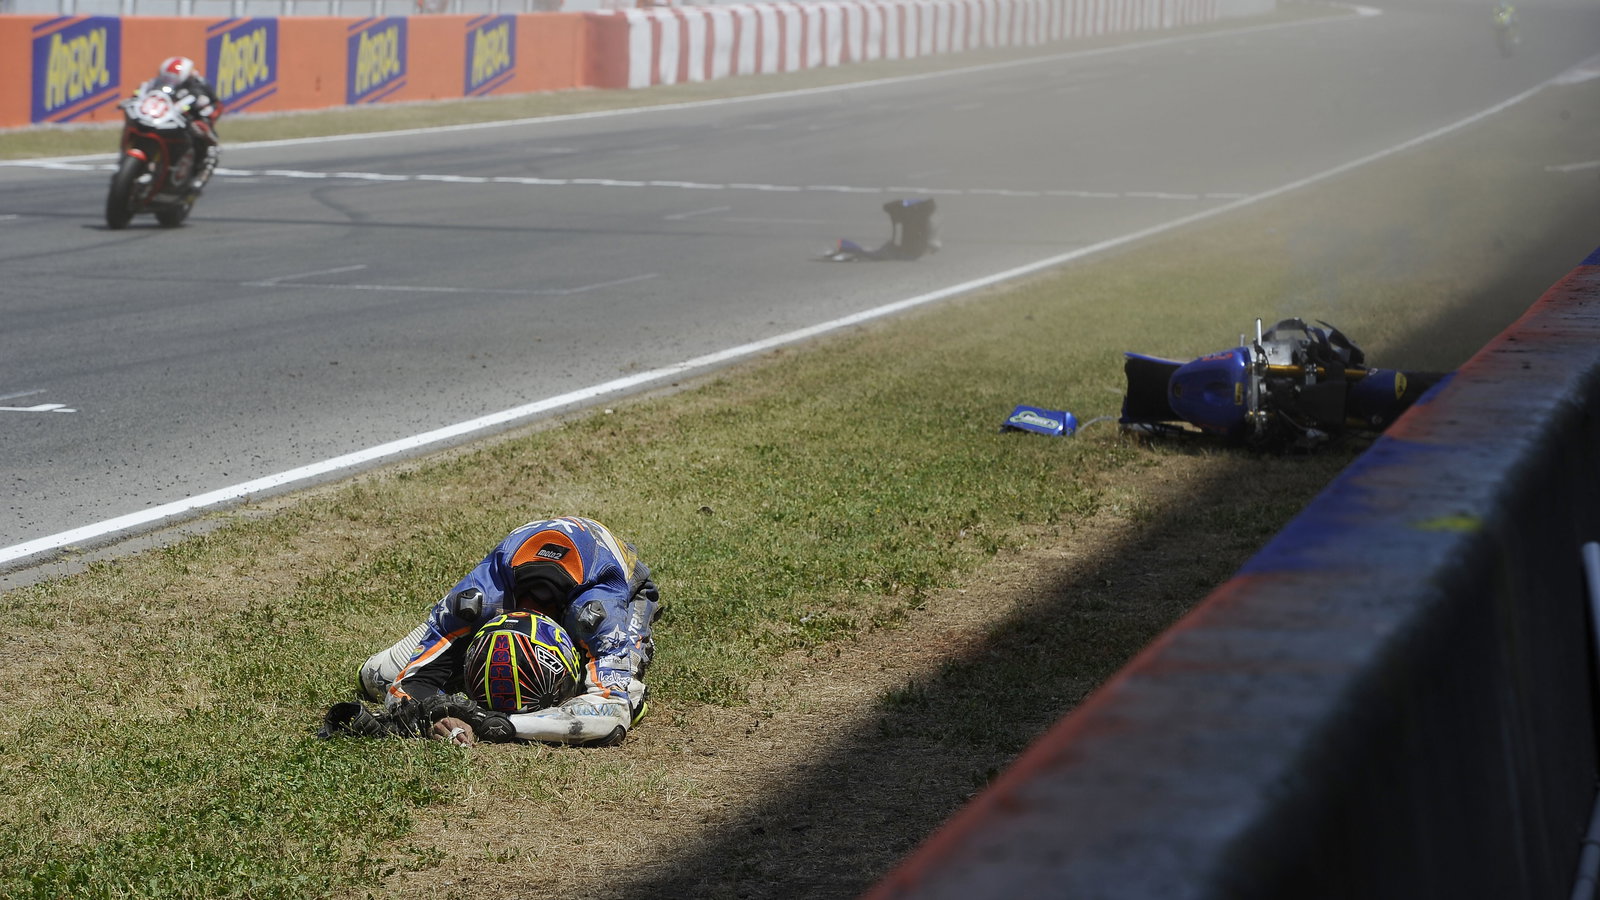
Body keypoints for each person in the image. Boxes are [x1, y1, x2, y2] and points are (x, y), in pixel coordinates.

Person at [353, 515, 663, 747]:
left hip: (624, 587)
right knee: (375, 677)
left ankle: (620, 670)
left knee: (626, 699)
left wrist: (499, 723)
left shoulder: (595, 610)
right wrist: (437, 713)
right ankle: (454, 654)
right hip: (516, 570)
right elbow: (403, 690)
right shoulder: (480, 597)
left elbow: (610, 716)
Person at [136, 56, 223, 196]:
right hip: (162, 119)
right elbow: (142, 93)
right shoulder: (156, 83)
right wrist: (136, 99)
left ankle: (199, 179)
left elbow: (213, 106)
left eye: (173, 78)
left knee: (209, 143)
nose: (170, 81)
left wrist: (204, 112)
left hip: (187, 122)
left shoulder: (198, 85)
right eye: (167, 77)